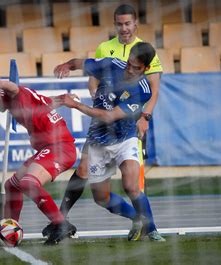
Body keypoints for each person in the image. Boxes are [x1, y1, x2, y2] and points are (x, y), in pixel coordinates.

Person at [43, 3, 163, 238]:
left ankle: (153, 231)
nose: (129, 69)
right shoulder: (110, 57)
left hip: (126, 134)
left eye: (127, 23)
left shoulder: (142, 90)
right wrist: (67, 65)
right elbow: (87, 65)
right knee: (101, 196)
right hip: (98, 134)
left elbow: (112, 114)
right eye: (120, 23)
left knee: (132, 185)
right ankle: (134, 218)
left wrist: (75, 105)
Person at [0, 68, 77, 245]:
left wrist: (1, 83)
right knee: (12, 186)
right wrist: (62, 99)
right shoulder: (14, 102)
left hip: (60, 148)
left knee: (28, 183)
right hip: (48, 148)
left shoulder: (14, 96)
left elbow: (15, 88)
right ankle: (8, 232)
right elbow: (45, 102)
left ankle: (60, 224)